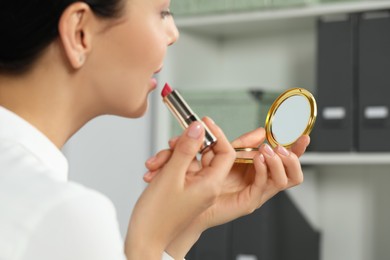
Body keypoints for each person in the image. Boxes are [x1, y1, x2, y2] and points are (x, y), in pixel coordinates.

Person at [0, 0, 310, 259]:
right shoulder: (63, 215)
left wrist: (185, 224)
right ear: (80, 32)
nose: (173, 33)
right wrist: (146, 242)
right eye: (161, 11)